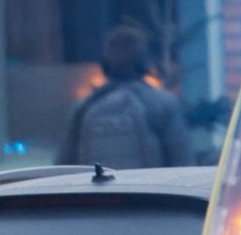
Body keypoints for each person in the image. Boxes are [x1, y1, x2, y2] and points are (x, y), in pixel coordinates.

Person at [56, 25, 194, 170]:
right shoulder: (163, 103)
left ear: (105, 65)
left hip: (97, 193)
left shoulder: (84, 108)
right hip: (147, 191)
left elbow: (63, 168)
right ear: (144, 62)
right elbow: (183, 163)